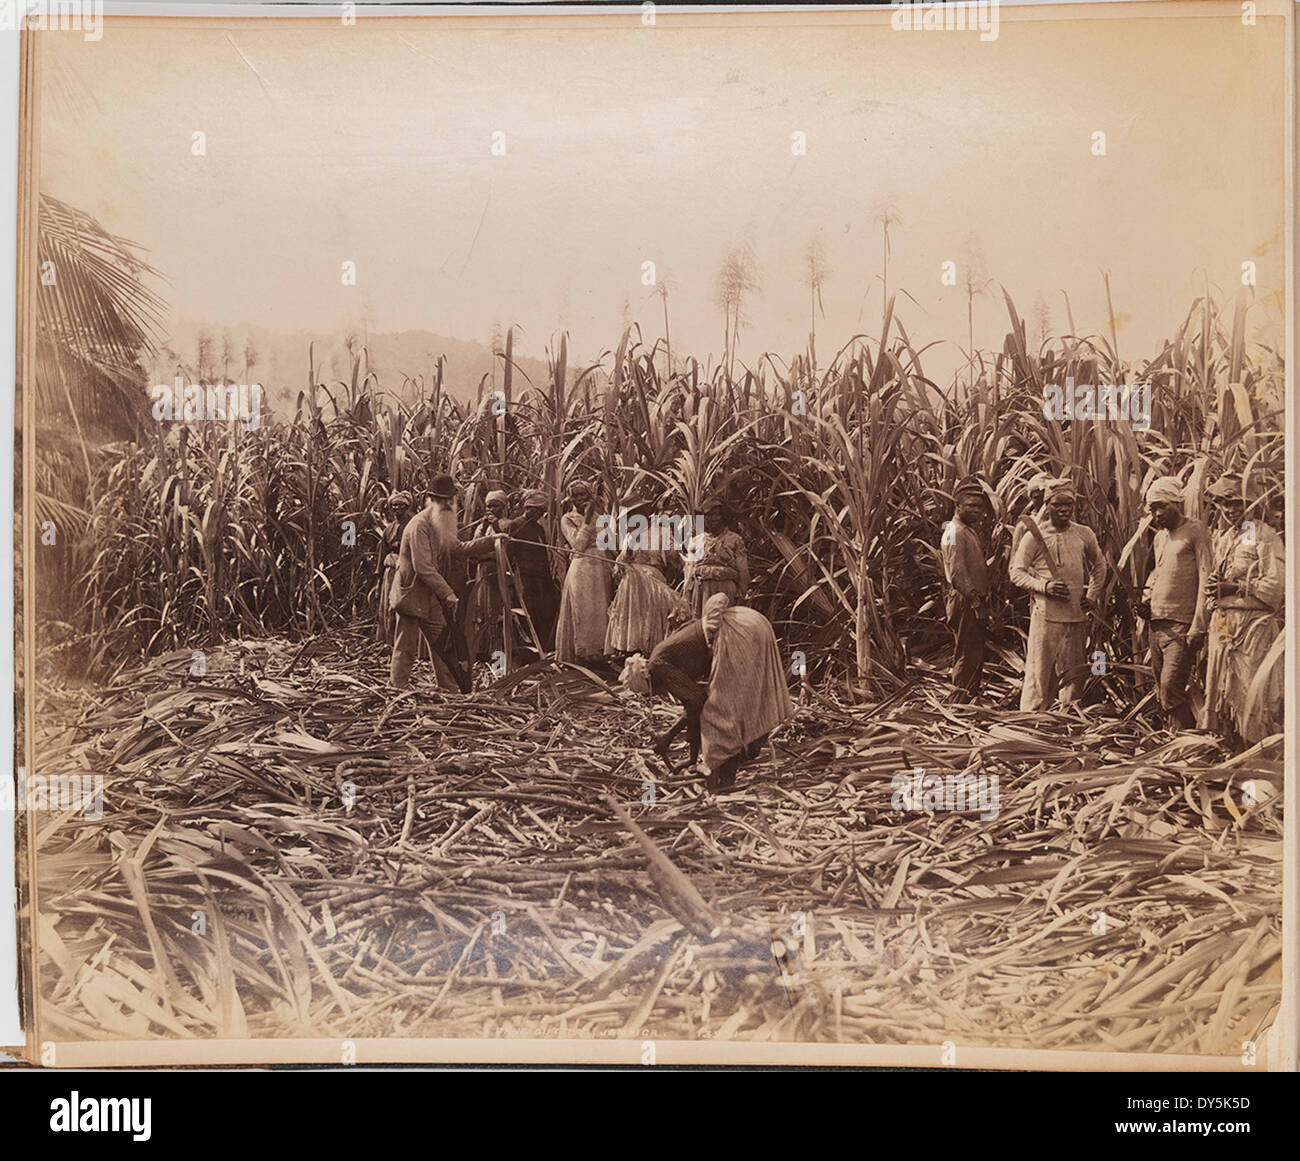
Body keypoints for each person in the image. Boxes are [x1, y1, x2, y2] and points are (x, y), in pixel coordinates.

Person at [621, 594, 793, 792]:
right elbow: (692, 704)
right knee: (750, 696)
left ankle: (725, 784)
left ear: (647, 681)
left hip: (735, 633)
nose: (657, 694)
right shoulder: (659, 654)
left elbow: (697, 701)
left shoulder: (658, 666)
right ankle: (749, 746)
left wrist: (668, 736)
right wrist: (690, 755)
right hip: (748, 620)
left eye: (650, 692)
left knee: (719, 714)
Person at [388, 475, 500, 691]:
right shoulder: (419, 525)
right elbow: (423, 567)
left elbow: (458, 549)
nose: (447, 504)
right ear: (430, 499)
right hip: (411, 594)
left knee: (444, 644)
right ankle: (396, 689)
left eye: (450, 499)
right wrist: (447, 593)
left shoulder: (441, 522)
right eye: (442, 500)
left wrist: (491, 540)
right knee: (406, 647)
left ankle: (449, 688)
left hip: (430, 596)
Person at [1009, 478, 1105, 711]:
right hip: (1046, 616)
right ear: (1047, 504)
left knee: (1074, 673)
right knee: (1038, 672)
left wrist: (1091, 596)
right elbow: (1016, 572)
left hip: (1076, 616)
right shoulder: (1034, 535)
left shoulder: (1084, 534)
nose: (1063, 510)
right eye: (1057, 505)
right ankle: (1030, 721)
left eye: (1068, 505)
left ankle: (1069, 717)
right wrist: (1044, 586)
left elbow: (1100, 566)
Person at [1202, 473, 1285, 744]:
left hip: (1251, 626)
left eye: (1238, 502)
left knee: (1250, 688)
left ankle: (1254, 748)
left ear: (1252, 503)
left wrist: (1235, 588)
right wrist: (1214, 590)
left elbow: (1275, 585)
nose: (1231, 509)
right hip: (1223, 622)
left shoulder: (1263, 535)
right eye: (1225, 503)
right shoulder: (1224, 537)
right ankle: (1229, 745)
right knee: (1223, 684)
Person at [1136, 475, 1211, 729]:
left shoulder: (1195, 530)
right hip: (1156, 624)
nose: (1156, 514)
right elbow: (1157, 573)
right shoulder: (1160, 538)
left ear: (1176, 502)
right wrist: (1146, 600)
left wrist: (1198, 626)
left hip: (1181, 625)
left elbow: (1206, 579)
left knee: (1171, 687)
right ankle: (1172, 743)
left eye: (1161, 506)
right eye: (1152, 508)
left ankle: (1188, 744)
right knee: (1162, 689)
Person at [604, 516, 689, 656]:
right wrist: (629, 551)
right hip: (631, 581)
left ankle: (649, 649)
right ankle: (631, 650)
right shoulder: (630, 536)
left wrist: (684, 544)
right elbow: (619, 567)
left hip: (652, 579)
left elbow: (676, 557)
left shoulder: (662, 532)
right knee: (631, 590)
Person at [940, 476, 994, 697]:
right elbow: (957, 573)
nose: (977, 511)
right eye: (971, 505)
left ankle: (970, 696)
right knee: (966, 651)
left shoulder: (966, 529)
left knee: (974, 650)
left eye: (980, 507)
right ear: (957, 505)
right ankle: (960, 701)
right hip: (965, 600)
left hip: (971, 599)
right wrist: (975, 602)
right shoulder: (954, 532)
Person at [554, 481, 613, 663]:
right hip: (582, 568)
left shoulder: (601, 517)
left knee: (600, 609)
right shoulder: (567, 519)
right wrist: (586, 519)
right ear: (570, 498)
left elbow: (609, 544)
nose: (580, 499)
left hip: (601, 567)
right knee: (583, 609)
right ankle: (582, 655)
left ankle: (601, 655)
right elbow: (577, 545)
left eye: (584, 495)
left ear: (590, 496)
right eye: (576, 496)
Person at [505, 489, 561, 654]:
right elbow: (508, 554)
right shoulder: (514, 525)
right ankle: (527, 653)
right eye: (533, 509)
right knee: (527, 614)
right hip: (525, 577)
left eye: (540, 511)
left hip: (541, 578)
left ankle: (543, 650)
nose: (536, 514)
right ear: (526, 507)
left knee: (545, 612)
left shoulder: (539, 529)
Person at [465, 489, 510, 663]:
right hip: (481, 572)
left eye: (495, 506)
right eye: (488, 506)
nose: (490, 510)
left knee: (495, 610)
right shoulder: (480, 527)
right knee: (480, 609)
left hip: (497, 571)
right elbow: (474, 549)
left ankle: (497, 652)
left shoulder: (506, 524)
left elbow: (504, 548)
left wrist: (496, 525)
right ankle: (481, 650)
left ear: (503, 507)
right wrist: (485, 527)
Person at [683, 499, 749, 615]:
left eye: (717, 515)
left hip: (726, 589)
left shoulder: (735, 540)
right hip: (702, 590)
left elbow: (743, 570)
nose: (713, 518)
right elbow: (689, 570)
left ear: (723, 517)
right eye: (709, 515)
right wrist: (686, 595)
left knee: (725, 625)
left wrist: (742, 594)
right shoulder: (696, 541)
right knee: (701, 626)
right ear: (704, 518)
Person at [375, 490, 412, 645]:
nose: (397, 508)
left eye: (400, 505)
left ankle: (404, 641)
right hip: (390, 570)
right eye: (394, 505)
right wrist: (378, 580)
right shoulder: (388, 529)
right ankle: (389, 641)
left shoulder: (413, 525)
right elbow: (381, 553)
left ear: (407, 506)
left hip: (406, 569)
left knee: (402, 604)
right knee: (388, 604)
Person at [1010, 471, 1054, 561]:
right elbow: (1014, 562)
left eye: (1046, 496)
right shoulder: (1024, 526)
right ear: (1031, 498)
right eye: (1037, 497)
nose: (1043, 501)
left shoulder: (1062, 523)